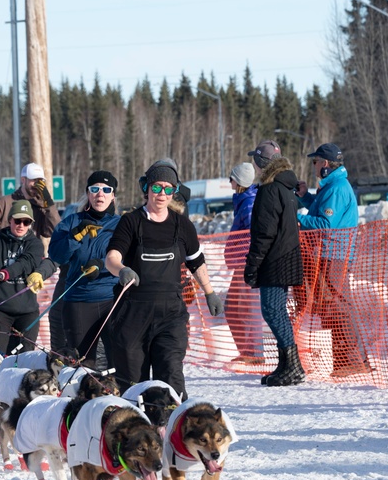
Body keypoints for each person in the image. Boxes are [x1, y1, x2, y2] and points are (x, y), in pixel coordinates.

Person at [104, 160, 224, 399]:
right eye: (157, 187)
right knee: (133, 384)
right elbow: (112, 257)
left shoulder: (182, 225)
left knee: (170, 377)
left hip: (170, 315)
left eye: (168, 188)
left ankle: (170, 430)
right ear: (147, 188)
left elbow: (196, 261)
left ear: (174, 191)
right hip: (133, 315)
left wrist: (209, 291)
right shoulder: (131, 222)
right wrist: (121, 270)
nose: (161, 194)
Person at [295, 142, 369, 378]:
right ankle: (347, 359)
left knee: (339, 306)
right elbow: (321, 212)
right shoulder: (332, 186)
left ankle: (350, 359)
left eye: (315, 162)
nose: (314, 166)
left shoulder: (337, 187)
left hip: (334, 254)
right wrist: (306, 198)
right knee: (335, 305)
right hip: (330, 253)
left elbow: (326, 225)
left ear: (325, 163)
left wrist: (297, 218)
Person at [243, 144, 305, 387]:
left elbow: (264, 233)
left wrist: (253, 264)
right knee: (276, 311)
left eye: (256, 162)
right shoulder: (285, 187)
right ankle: (287, 364)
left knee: (272, 311)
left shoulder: (270, 190)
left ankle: (293, 366)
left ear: (261, 163)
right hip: (286, 256)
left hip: (275, 259)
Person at [48, 170, 121, 369]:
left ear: (113, 195)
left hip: (112, 300)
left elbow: (129, 257)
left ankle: (121, 400)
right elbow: (57, 255)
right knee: (82, 366)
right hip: (78, 302)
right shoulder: (72, 222)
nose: (100, 194)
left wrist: (101, 264)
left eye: (106, 189)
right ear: (88, 193)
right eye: (95, 189)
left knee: (119, 362)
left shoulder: (122, 225)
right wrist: (74, 237)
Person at [0, 200, 58, 356]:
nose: (21, 225)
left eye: (26, 222)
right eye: (18, 221)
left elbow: (24, 263)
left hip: (27, 312)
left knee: (24, 357)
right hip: (0, 310)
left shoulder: (35, 244)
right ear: (10, 220)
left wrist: (1, 275)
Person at [224, 162, 263, 365]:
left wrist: (246, 260)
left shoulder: (249, 203)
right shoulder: (242, 200)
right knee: (234, 307)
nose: (229, 181)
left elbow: (250, 235)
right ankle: (248, 351)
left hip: (246, 263)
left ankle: (254, 352)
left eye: (231, 178)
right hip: (240, 263)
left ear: (238, 181)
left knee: (245, 308)